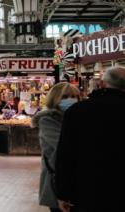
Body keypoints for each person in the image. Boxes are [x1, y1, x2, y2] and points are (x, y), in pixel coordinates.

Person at [55, 66, 125, 212]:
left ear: (101, 84)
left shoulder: (77, 111)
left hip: (88, 189)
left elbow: (66, 155)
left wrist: (63, 192)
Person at [30, 82, 80, 212]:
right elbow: (64, 149)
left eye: (75, 96)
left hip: (79, 180)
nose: (71, 100)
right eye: (65, 96)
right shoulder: (48, 120)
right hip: (58, 182)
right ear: (55, 98)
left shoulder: (78, 117)